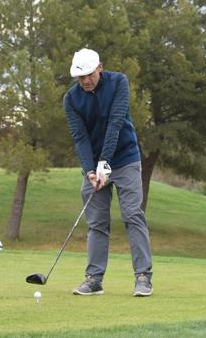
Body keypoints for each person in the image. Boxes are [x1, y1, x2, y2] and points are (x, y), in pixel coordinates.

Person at [63, 48, 153, 297]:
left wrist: (105, 163)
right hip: (94, 165)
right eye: (80, 77)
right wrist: (91, 170)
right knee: (96, 223)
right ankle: (94, 279)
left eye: (90, 75)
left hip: (124, 159)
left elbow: (115, 122)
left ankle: (143, 277)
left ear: (100, 67)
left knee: (133, 214)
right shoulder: (71, 99)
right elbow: (80, 137)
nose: (86, 81)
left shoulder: (119, 82)